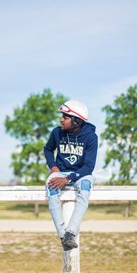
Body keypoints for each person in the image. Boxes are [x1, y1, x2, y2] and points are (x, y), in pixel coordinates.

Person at [44, 100, 98, 251]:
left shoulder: (91, 137)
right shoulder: (56, 132)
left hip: (81, 173)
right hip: (61, 171)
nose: (61, 119)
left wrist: (67, 179)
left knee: (86, 186)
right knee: (51, 186)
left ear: (77, 121)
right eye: (62, 115)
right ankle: (63, 236)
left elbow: (89, 166)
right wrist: (53, 167)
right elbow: (48, 149)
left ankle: (71, 233)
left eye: (66, 117)